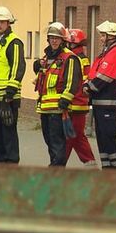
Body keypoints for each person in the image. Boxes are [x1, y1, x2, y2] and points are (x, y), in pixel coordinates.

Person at [33, 22, 82, 166]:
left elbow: (72, 81)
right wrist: (38, 67)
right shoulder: (47, 57)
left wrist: (65, 101)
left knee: (57, 144)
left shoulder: (70, 58)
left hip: (59, 109)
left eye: (57, 38)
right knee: (50, 143)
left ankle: (55, 171)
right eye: (51, 38)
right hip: (45, 109)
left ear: (63, 40)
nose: (54, 41)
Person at [0, 6, 26, 163]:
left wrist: (9, 94)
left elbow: (18, 68)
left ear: (9, 23)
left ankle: (11, 161)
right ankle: (0, 160)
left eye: (2, 22)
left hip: (7, 97)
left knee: (8, 131)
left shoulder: (14, 42)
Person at [84, 21, 116, 169]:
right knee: (102, 139)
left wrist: (89, 87)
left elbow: (105, 77)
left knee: (108, 139)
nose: (101, 39)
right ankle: (107, 169)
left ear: (111, 36)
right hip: (100, 103)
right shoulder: (108, 51)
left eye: (103, 35)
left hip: (108, 103)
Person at [65, 28, 96, 167]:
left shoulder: (79, 59)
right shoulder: (73, 57)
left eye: (68, 43)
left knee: (71, 136)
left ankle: (59, 163)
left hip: (77, 103)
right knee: (75, 135)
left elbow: (81, 82)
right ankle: (89, 162)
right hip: (74, 102)